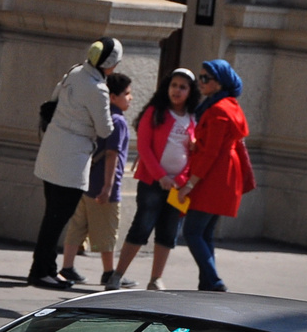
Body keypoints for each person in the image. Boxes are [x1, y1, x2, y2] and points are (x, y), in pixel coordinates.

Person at [28, 36, 122, 290]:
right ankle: (39, 271)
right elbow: (104, 129)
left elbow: (54, 99)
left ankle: (48, 268)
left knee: (52, 214)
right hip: (72, 158)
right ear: (110, 63)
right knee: (58, 218)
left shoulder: (76, 71)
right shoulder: (98, 88)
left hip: (52, 148)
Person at [108, 68, 197, 291]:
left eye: (182, 87)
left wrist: (181, 179)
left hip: (179, 187)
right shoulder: (155, 112)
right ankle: (117, 276)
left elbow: (195, 154)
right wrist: (161, 177)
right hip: (151, 182)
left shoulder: (194, 118)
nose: (177, 91)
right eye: (173, 85)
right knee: (142, 226)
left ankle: (156, 279)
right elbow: (144, 148)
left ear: (190, 91)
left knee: (168, 233)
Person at [59, 72, 134, 290]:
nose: (130, 98)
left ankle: (67, 266)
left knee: (77, 226)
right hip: (104, 184)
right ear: (112, 97)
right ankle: (109, 272)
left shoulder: (99, 115)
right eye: (127, 94)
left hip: (86, 180)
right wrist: (108, 187)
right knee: (107, 230)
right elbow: (112, 154)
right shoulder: (118, 121)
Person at [178, 59, 248, 292]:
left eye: (205, 78)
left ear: (219, 83)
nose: (200, 82)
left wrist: (190, 183)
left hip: (214, 176)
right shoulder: (228, 105)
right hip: (223, 175)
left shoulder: (218, 109)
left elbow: (212, 152)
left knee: (192, 231)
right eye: (200, 77)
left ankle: (214, 282)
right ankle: (207, 284)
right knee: (205, 233)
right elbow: (213, 145)